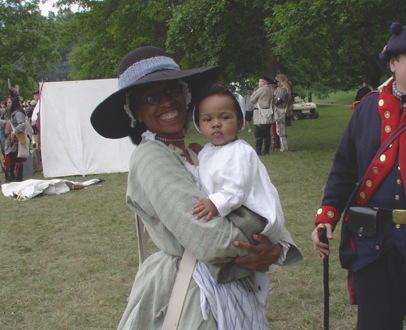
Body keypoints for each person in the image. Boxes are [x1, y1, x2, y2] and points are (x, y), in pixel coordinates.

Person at [91, 46, 303, 330]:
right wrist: (265, 246)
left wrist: (277, 247)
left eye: (172, 91)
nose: (167, 102)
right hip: (191, 290)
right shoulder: (151, 156)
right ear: (136, 112)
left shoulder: (202, 153)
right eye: (151, 97)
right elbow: (209, 240)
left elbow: (254, 198)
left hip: (228, 285)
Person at [312, 22, 406, 330]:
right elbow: (344, 170)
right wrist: (328, 215)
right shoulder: (366, 109)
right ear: (394, 62)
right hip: (374, 243)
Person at [191, 82, 285, 243]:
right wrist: (201, 153)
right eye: (207, 119)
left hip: (248, 214)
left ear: (240, 123)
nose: (216, 123)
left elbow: (237, 189)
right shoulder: (209, 149)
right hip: (229, 211)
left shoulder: (240, 151)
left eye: (225, 117)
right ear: (199, 125)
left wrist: (215, 203)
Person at [3, 90, 26, 182]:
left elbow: (22, 124)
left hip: (17, 140)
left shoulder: (18, 113)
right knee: (12, 158)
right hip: (11, 141)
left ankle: (18, 177)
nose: (7, 104)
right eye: (7, 102)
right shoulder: (11, 113)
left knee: (17, 159)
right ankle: (12, 175)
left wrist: (14, 132)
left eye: (10, 102)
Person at [251, 76, 275, 155]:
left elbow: (252, 99)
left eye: (260, 81)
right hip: (268, 112)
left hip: (260, 111)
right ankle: (266, 150)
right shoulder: (271, 90)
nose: (259, 83)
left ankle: (258, 150)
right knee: (267, 133)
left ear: (263, 82)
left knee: (259, 132)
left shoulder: (261, 89)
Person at [274, 74, 293, 152]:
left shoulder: (283, 90)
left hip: (280, 110)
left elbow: (279, 100)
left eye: (278, 82)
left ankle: (284, 147)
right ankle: (284, 146)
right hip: (282, 110)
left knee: (280, 129)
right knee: (281, 129)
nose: (278, 83)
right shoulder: (286, 89)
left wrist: (273, 101)